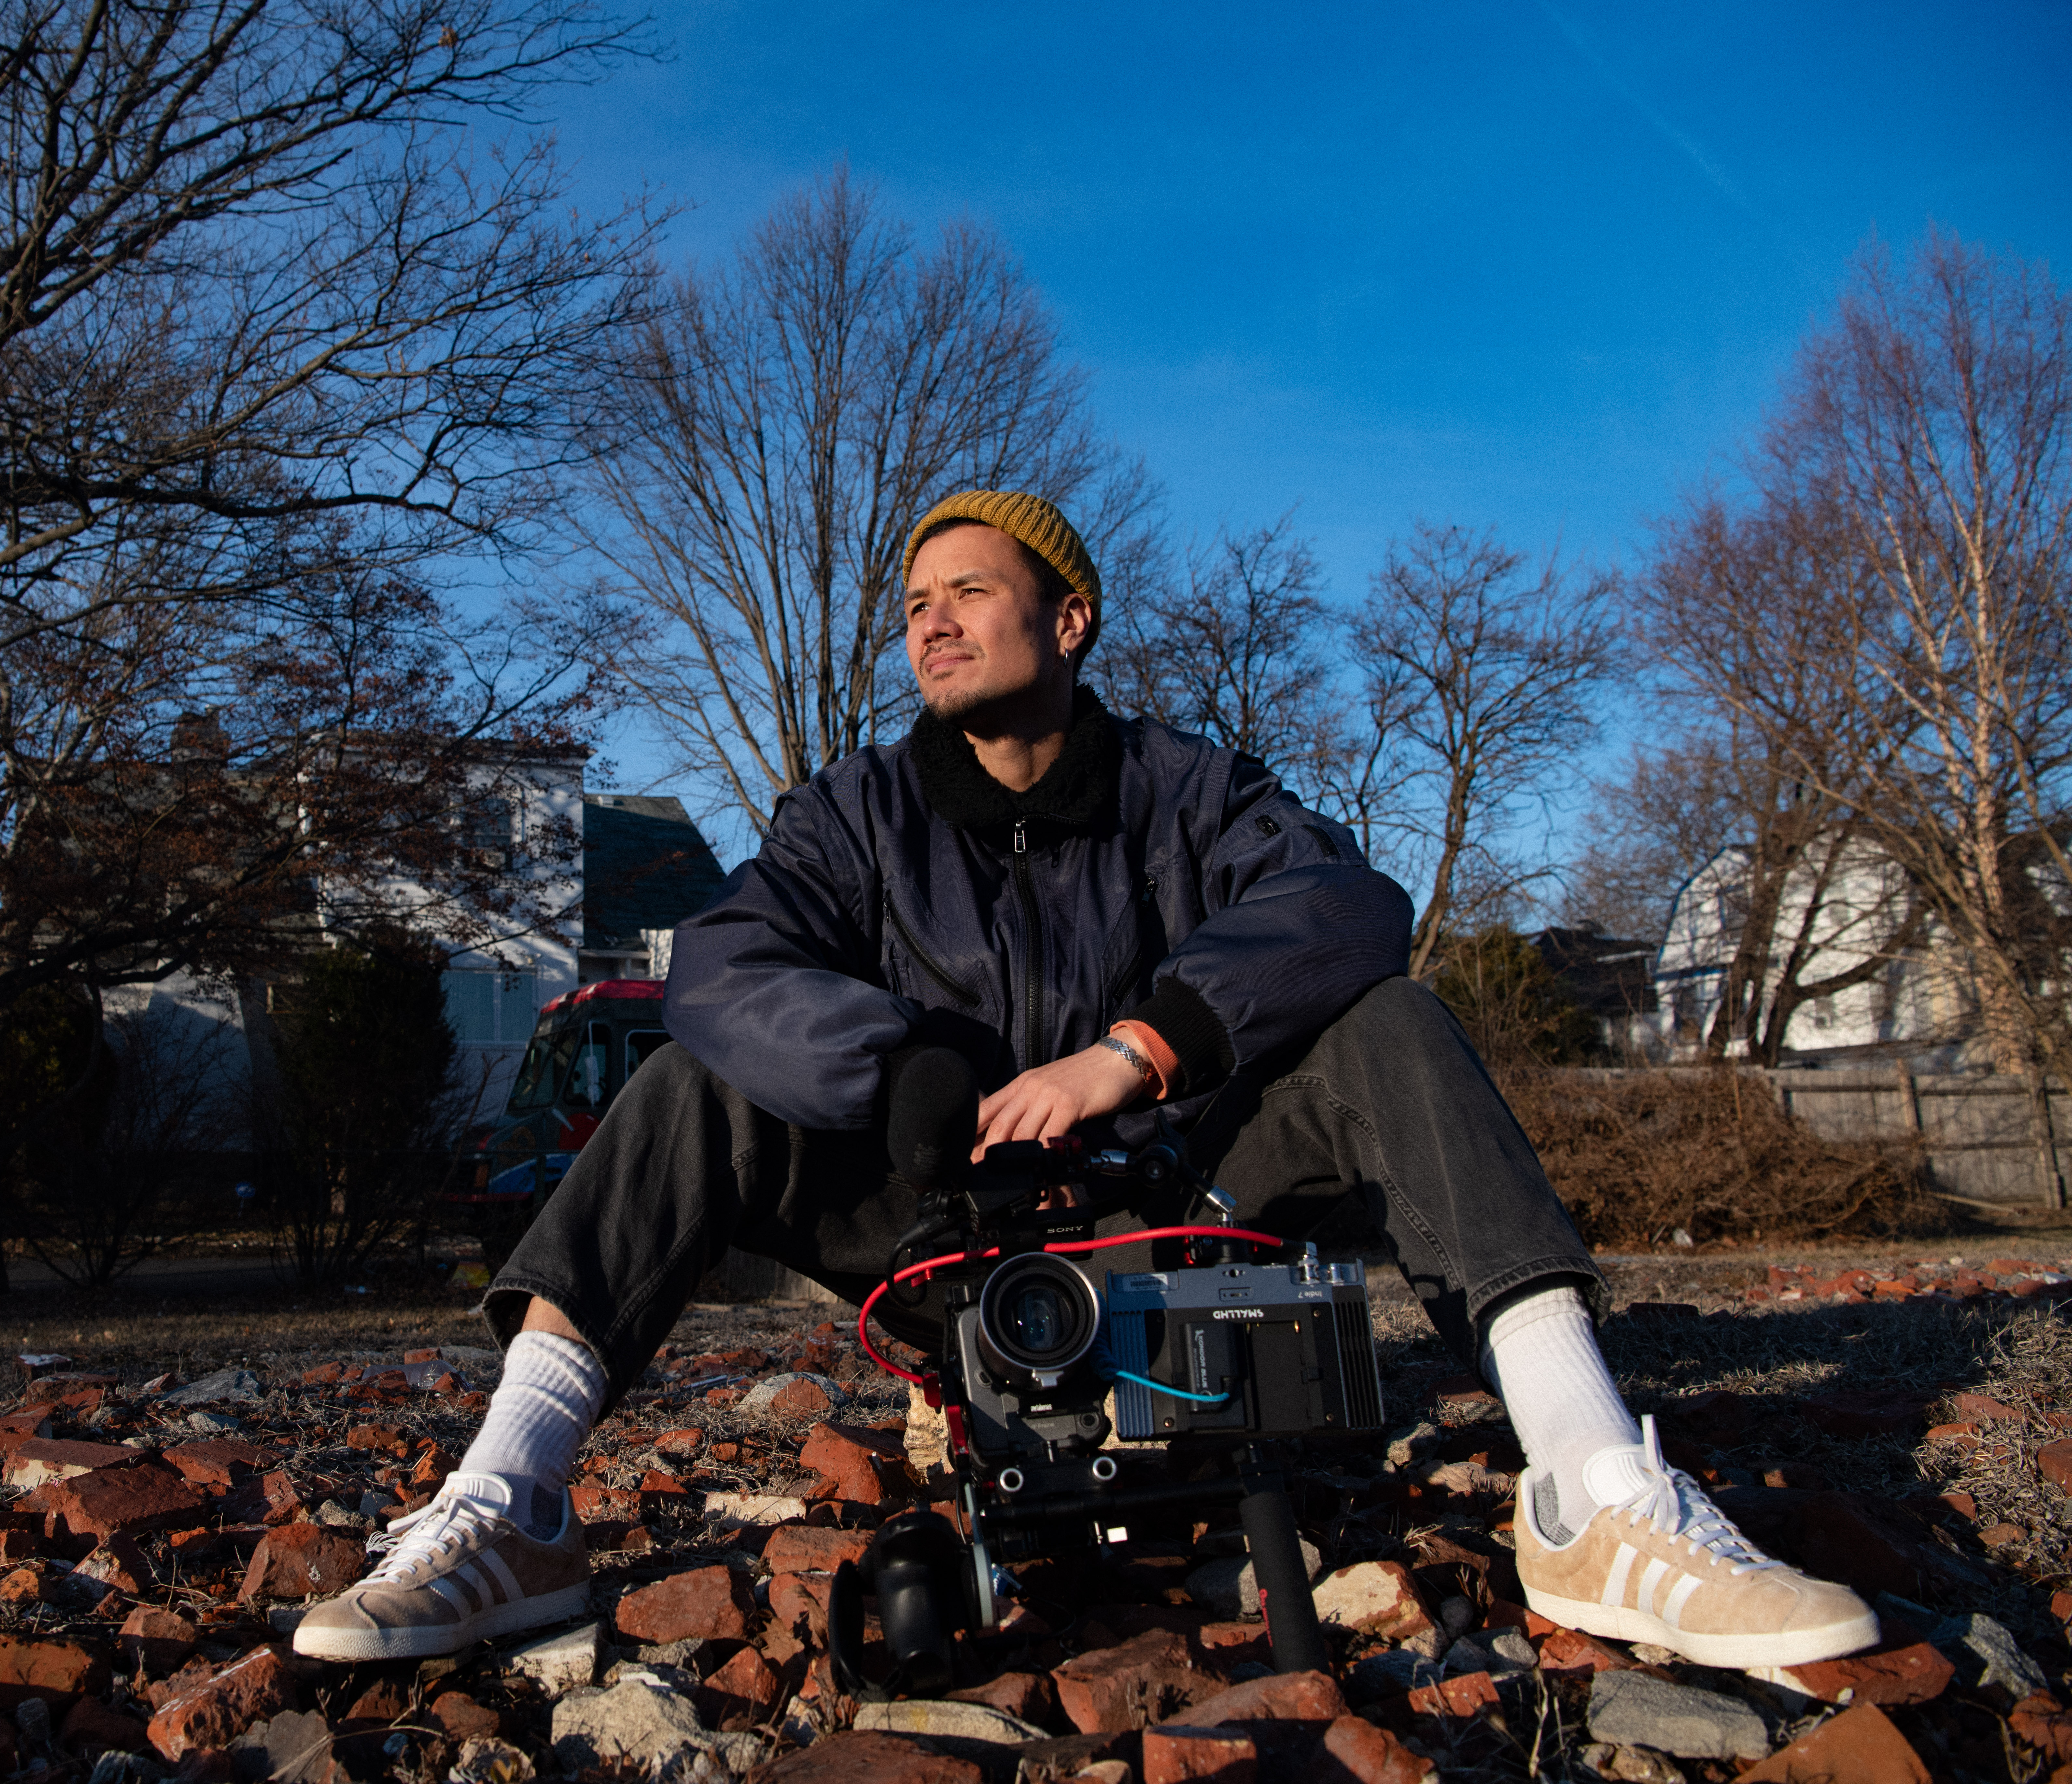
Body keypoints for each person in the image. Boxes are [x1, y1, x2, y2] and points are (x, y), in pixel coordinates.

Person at [296, 490, 1878, 1672]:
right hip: (935, 1223)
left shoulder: (1191, 789)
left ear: (1069, 622)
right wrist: (895, 1062)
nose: (928, 621)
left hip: (1175, 1205)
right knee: (690, 1079)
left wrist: (1139, 1050)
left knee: (1392, 1019)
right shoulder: (852, 813)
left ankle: (1593, 1492)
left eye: (968, 591)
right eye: (914, 600)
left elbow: (1346, 905)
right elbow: (724, 964)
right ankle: (511, 1507)